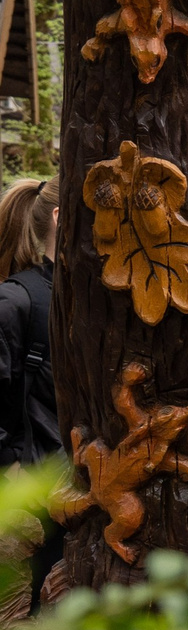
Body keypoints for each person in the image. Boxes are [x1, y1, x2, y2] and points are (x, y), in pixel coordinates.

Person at [0, 177, 59, 470]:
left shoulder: (99, 304)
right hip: (38, 495)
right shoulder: (15, 302)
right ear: (60, 217)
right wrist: (9, 467)